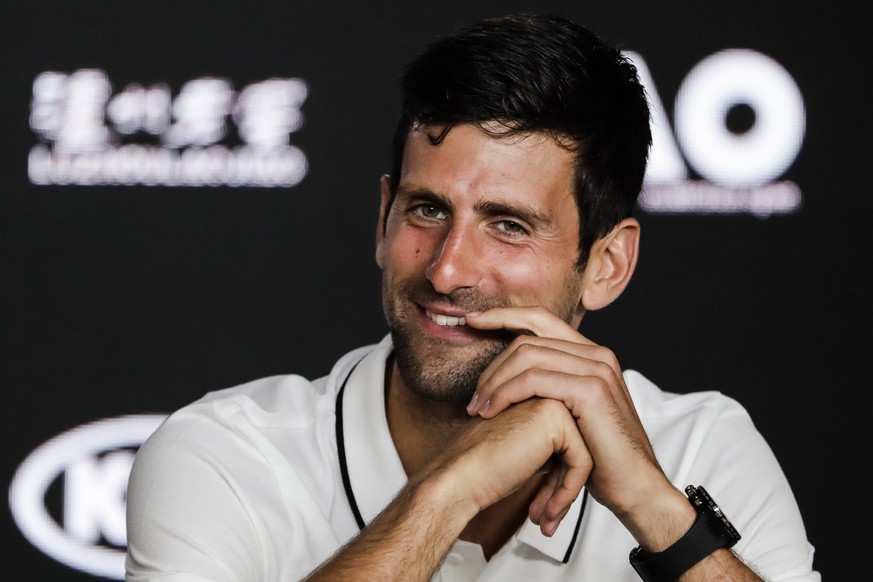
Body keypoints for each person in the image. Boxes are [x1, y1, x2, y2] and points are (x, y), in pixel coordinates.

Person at [125, 13, 819, 582]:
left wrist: (654, 508)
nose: (449, 270)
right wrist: (448, 491)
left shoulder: (699, 449)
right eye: (426, 211)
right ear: (383, 218)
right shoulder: (224, 455)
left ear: (607, 264)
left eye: (508, 226)